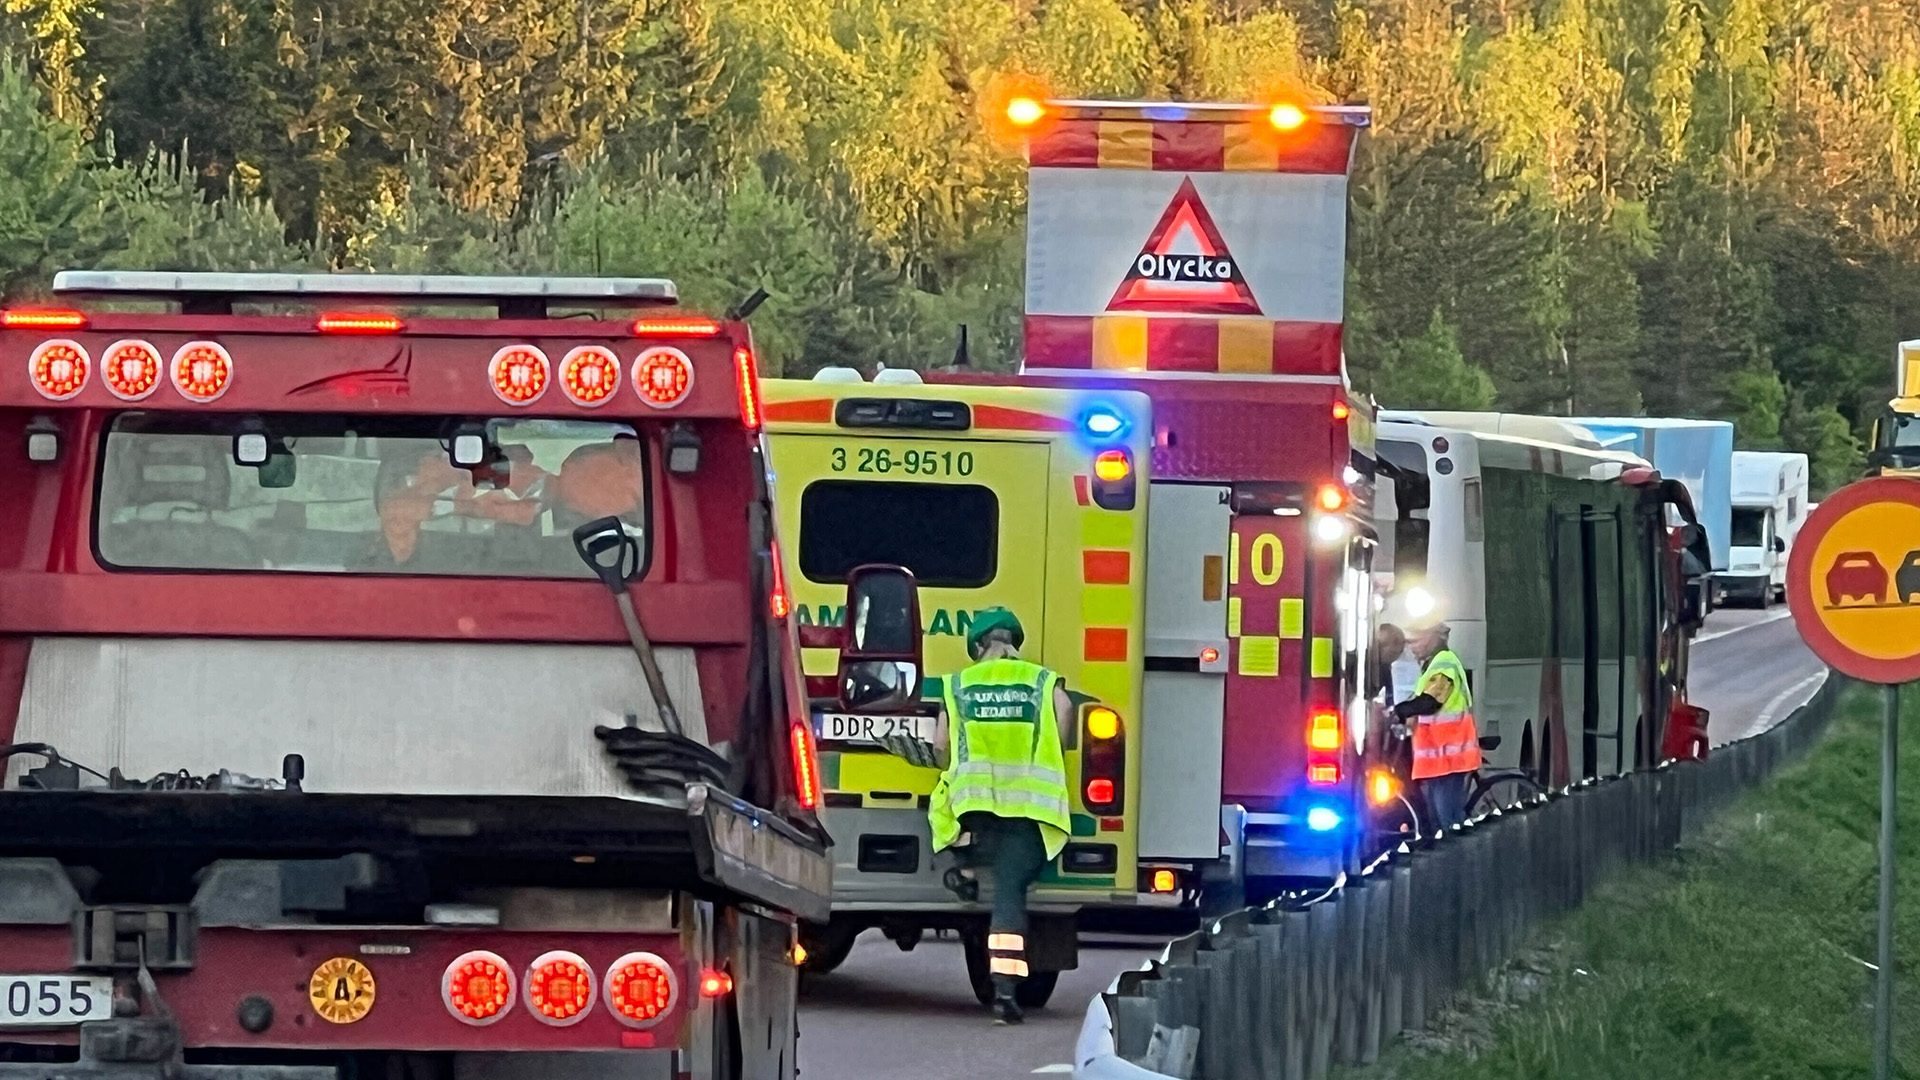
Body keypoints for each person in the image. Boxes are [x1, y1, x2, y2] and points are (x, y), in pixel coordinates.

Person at [924, 607, 1074, 1025]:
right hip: (1027, 811)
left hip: (975, 811)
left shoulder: (957, 684)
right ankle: (1005, 991)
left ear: (978, 645)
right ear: (1013, 642)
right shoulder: (1041, 680)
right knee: (1010, 893)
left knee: (943, 811)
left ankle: (963, 870)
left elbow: (940, 748)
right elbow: (1065, 718)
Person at [1391, 620, 1480, 830]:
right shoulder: (1431, 665)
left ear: (1433, 637)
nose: (1412, 648)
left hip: (1450, 758)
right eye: (1409, 643)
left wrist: (1400, 711)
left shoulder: (1444, 663)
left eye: (1417, 641)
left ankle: (1460, 862)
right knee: (1439, 821)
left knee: (1448, 821)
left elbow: (1431, 702)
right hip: (1440, 760)